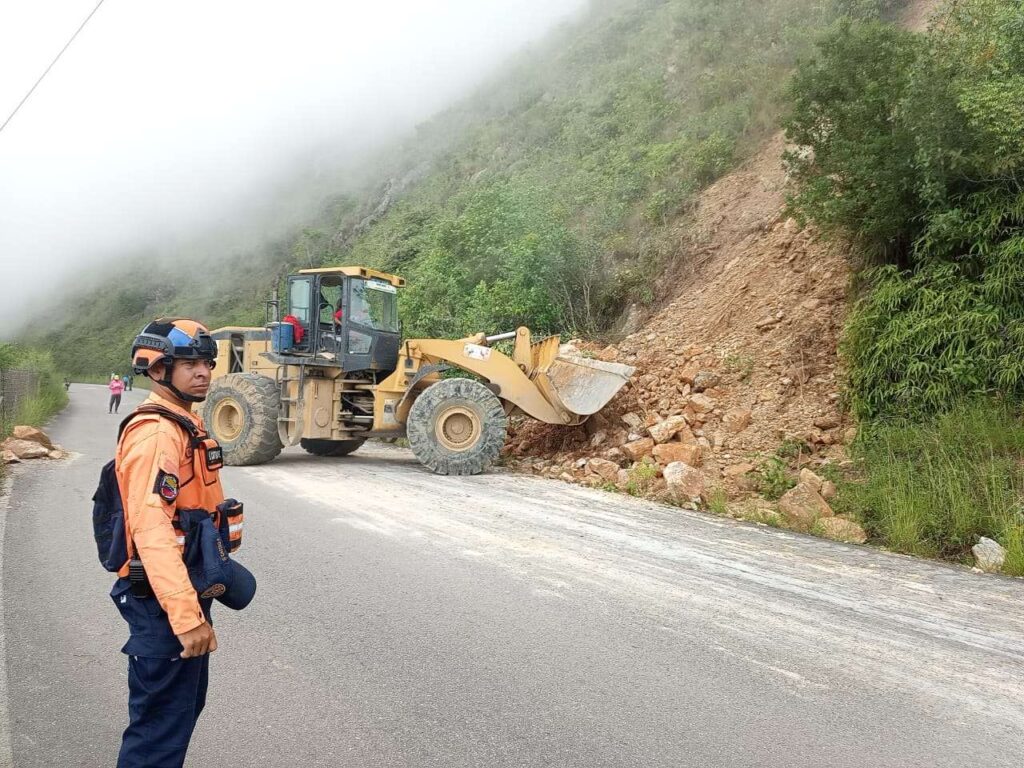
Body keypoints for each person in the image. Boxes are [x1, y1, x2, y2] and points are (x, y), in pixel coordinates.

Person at [111, 318, 247, 768]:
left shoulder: (183, 423)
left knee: (177, 719)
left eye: (207, 362)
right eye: (188, 363)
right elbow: (151, 531)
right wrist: (187, 619)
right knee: (158, 737)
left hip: (181, 592)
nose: (203, 371)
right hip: (164, 603)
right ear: (156, 369)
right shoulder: (157, 435)